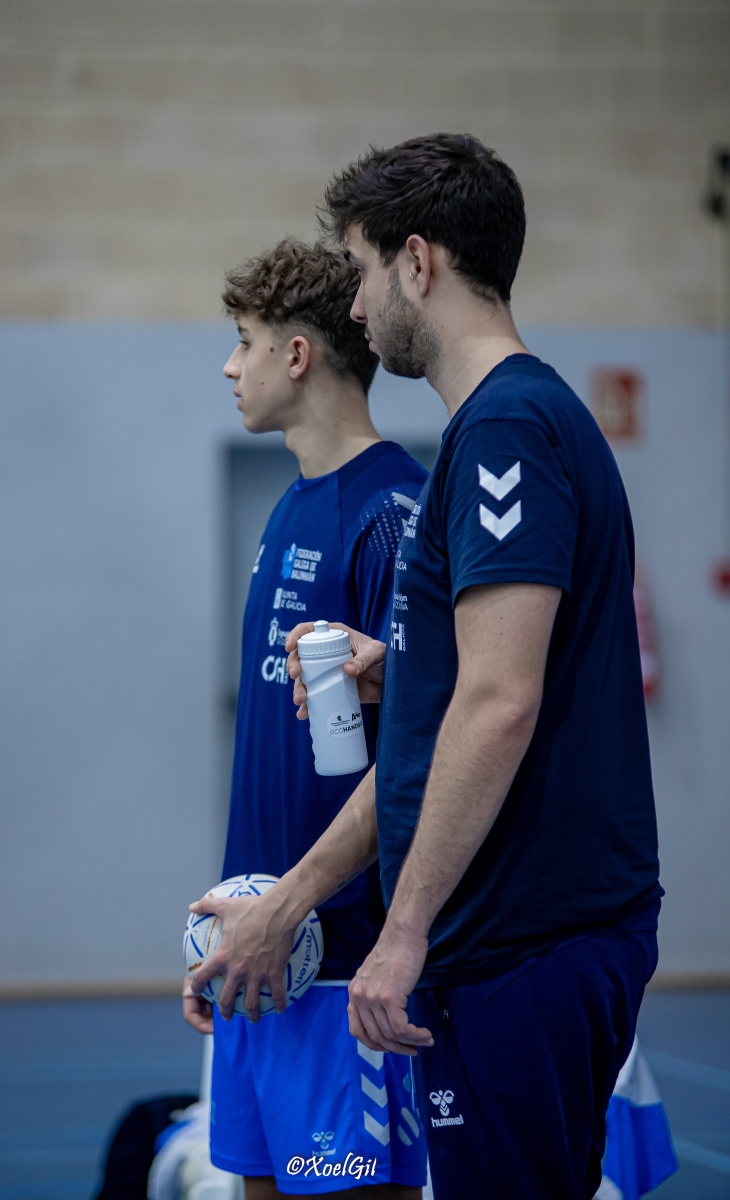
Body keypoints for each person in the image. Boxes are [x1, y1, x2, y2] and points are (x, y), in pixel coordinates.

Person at [189, 136, 663, 1200]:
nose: (355, 306)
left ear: (416, 261)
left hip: (524, 943)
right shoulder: (501, 427)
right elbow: (477, 688)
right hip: (509, 946)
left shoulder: (504, 429)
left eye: (362, 271)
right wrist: (396, 680)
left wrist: (398, 935)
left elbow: (498, 705)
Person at [184, 238, 429, 1199]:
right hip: (261, 954)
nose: (229, 365)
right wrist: (242, 923)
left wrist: (295, 906)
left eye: (244, 341)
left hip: (345, 969)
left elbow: (419, 758)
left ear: (297, 355)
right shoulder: (289, 507)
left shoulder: (391, 513)